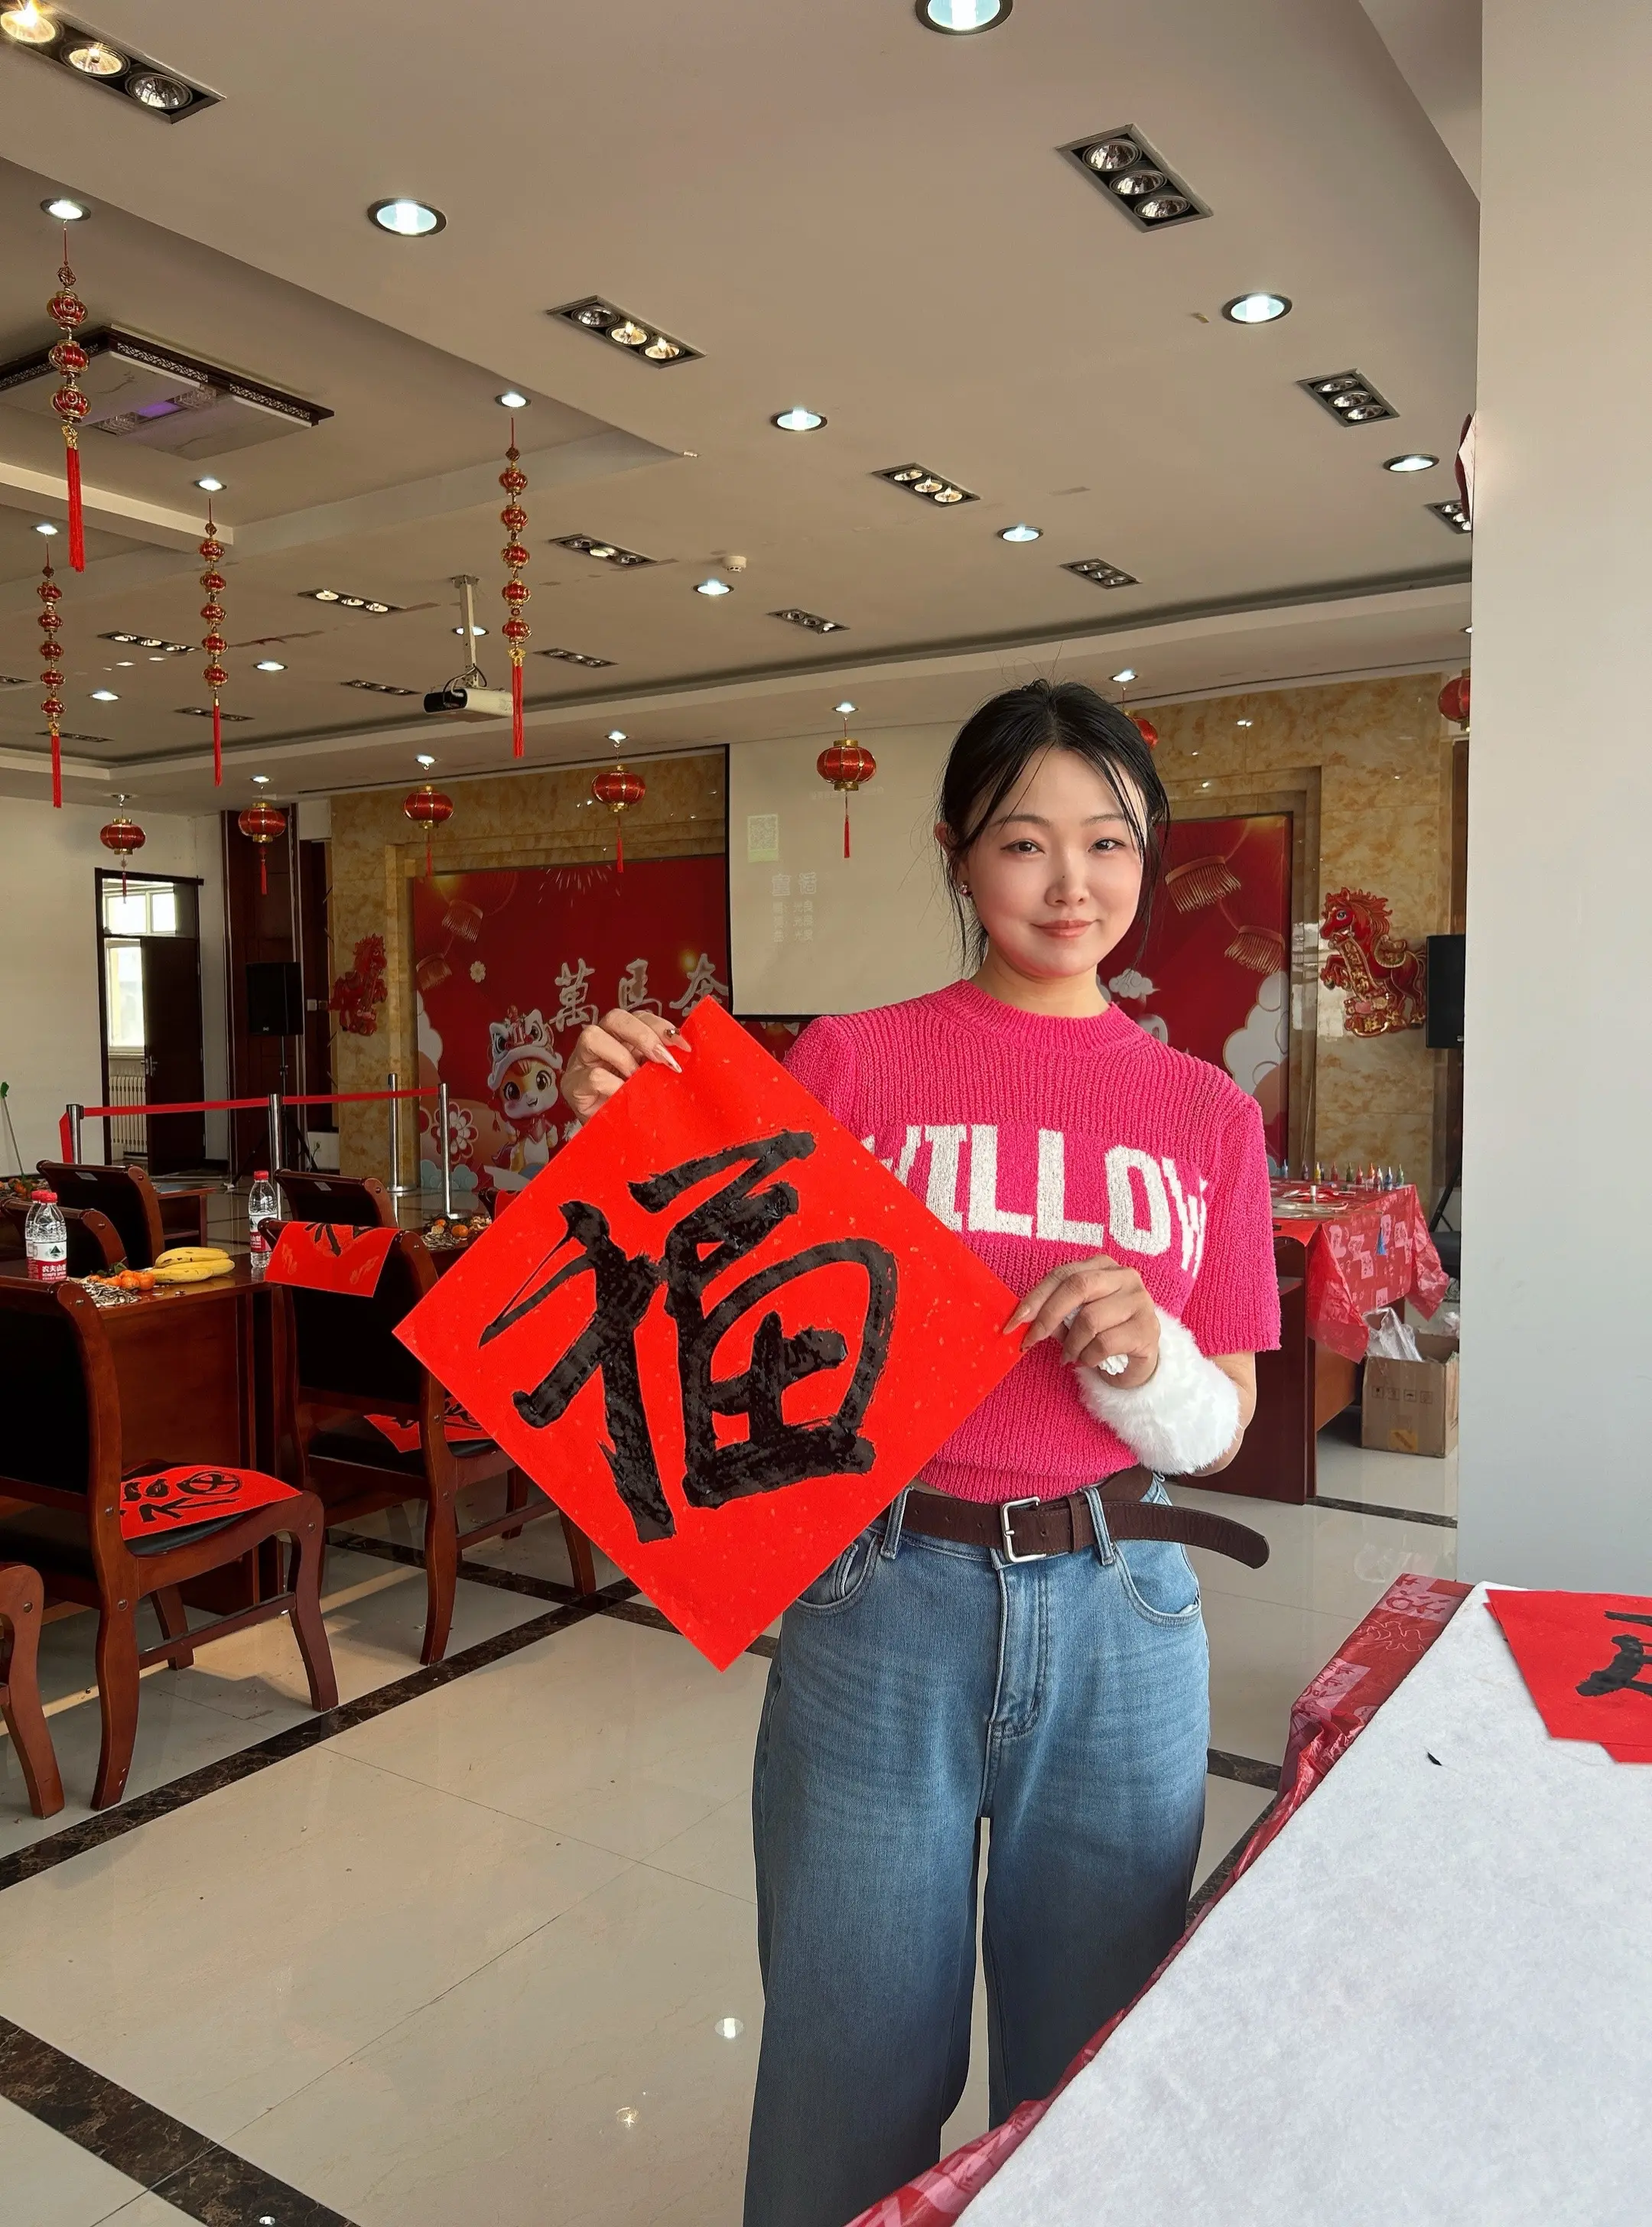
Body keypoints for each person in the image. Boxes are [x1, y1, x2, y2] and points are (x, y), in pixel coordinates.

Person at [559, 679, 1280, 2227]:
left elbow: (1222, 1423)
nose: (1071, 884)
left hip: (1125, 1605)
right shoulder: (854, 1061)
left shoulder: (1207, 1110)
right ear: (958, 854)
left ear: (1149, 856)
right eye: (1025, 842)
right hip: (881, 1592)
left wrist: (1146, 1363)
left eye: (1108, 843)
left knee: (1087, 2071)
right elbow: (707, 1307)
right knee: (849, 2063)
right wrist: (613, 1136)